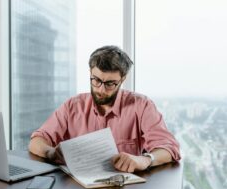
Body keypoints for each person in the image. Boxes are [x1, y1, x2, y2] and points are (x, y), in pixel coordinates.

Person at [29, 45, 181, 173]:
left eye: (110, 84)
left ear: (123, 79)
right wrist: (50, 152)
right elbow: (37, 140)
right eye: (96, 80)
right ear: (90, 73)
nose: (101, 89)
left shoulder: (142, 106)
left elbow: (169, 148)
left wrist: (145, 159)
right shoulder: (72, 106)